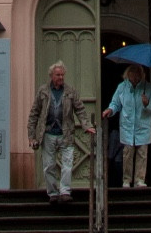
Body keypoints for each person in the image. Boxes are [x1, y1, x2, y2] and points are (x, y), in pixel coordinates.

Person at [26, 61, 94, 203]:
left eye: (62, 75)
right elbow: (34, 114)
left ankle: (65, 191)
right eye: (58, 75)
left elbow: (80, 109)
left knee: (67, 164)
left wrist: (86, 125)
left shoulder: (70, 92)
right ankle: (52, 193)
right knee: (49, 165)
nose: (61, 78)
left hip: (66, 134)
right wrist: (32, 136)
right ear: (51, 75)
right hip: (48, 134)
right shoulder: (43, 91)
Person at [103, 62, 151, 187]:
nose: (135, 76)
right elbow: (115, 103)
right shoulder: (122, 87)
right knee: (127, 153)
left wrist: (147, 103)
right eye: (132, 73)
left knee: (142, 153)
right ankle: (126, 180)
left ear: (142, 75)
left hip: (142, 126)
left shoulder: (148, 88)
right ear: (127, 74)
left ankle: (140, 180)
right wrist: (110, 110)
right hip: (127, 126)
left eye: (138, 73)